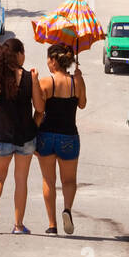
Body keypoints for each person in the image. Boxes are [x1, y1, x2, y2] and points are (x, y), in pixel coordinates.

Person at [0, 38, 46, 234]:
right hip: (25, 137)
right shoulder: (29, 77)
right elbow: (40, 108)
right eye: (23, 52)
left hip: (0, 135)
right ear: (18, 55)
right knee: (21, 180)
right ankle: (18, 225)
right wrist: (36, 82)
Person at [35, 43, 87, 234]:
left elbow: (39, 111)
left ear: (55, 61)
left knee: (48, 180)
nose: (47, 63)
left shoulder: (46, 82)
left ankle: (51, 225)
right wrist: (79, 79)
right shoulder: (76, 81)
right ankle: (67, 209)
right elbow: (82, 104)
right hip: (69, 136)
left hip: (46, 135)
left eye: (49, 59)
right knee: (69, 180)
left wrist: (34, 134)